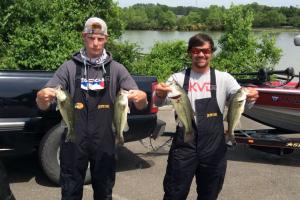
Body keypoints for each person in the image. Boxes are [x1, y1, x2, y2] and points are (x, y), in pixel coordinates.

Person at [36, 17, 147, 200]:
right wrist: (42, 97)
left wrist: (141, 98)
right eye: (91, 37)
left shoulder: (117, 69)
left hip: (105, 140)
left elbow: (140, 104)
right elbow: (43, 105)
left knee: (104, 192)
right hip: (73, 141)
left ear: (106, 39)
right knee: (70, 191)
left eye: (100, 38)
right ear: (84, 37)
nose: (95, 43)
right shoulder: (68, 68)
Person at [155, 33, 259, 200]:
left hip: (214, 146)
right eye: (196, 50)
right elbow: (159, 102)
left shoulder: (224, 78)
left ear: (211, 52)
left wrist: (252, 97)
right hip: (184, 145)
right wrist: (159, 94)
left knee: (209, 194)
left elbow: (240, 102)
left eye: (206, 50)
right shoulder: (177, 78)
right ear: (190, 52)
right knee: (174, 193)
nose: (201, 54)